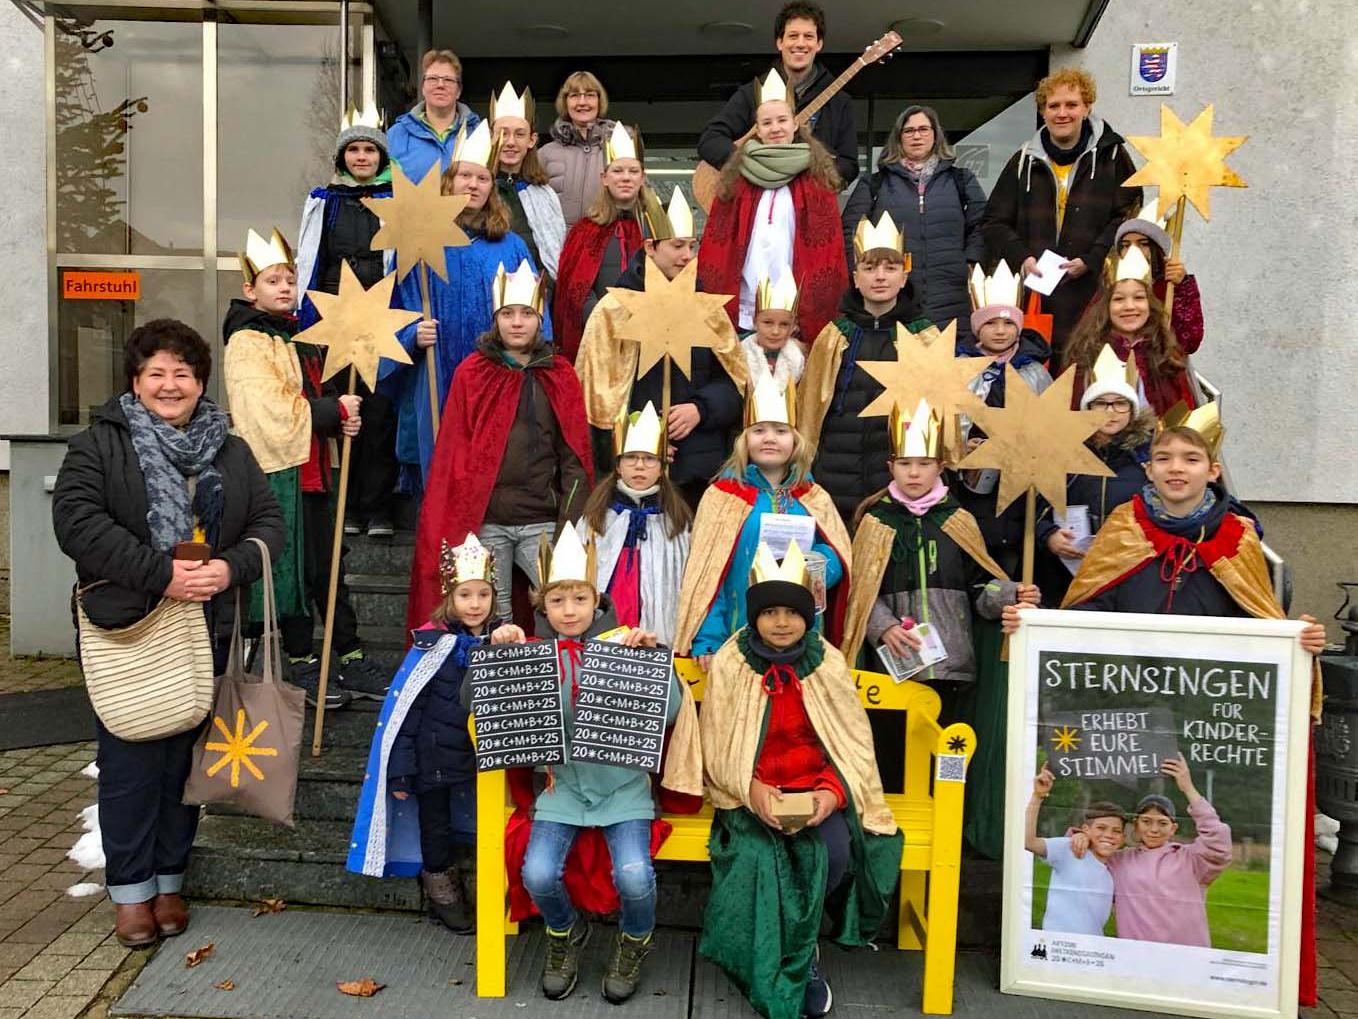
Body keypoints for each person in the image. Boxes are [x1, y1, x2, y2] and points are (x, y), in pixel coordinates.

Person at [1006, 410, 1326, 999]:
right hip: (1127, 702)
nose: (1176, 469)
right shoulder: (1125, 527)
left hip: (1201, 707)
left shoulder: (1240, 537)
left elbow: (1263, 620)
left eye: (1190, 459)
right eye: (1164, 459)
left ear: (1213, 469)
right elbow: (1088, 611)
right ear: (1148, 469)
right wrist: (1036, 620)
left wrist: (1299, 637)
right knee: (1117, 793)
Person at [52, 319, 284, 948]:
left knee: (184, 765)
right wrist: (163, 575)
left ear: (200, 381)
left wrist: (226, 568)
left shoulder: (229, 447)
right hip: (130, 626)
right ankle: (131, 893)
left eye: (182, 372)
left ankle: (170, 880)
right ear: (136, 379)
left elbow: (267, 521)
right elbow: (78, 525)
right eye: (156, 371)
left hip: (208, 623)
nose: (170, 383)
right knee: (131, 761)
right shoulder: (98, 447)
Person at [481, 527, 701, 1004]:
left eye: (579, 598)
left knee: (634, 876)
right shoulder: (533, 655)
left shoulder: (625, 647)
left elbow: (670, 714)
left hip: (624, 790)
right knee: (537, 873)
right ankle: (564, 934)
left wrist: (653, 662)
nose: (570, 610)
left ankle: (634, 941)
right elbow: (477, 706)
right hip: (561, 792)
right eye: (558, 601)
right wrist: (496, 658)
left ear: (595, 599)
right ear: (543, 607)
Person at [699, 540, 900, 1019]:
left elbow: (849, 742)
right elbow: (718, 740)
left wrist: (829, 795)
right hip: (752, 794)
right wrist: (751, 790)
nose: (782, 622)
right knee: (756, 858)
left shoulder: (826, 662)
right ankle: (785, 955)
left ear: (807, 615)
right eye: (769, 612)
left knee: (832, 854)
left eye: (792, 611)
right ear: (755, 617)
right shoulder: (732, 661)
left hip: (814, 790)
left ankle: (801, 946)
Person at [841, 400, 1034, 829]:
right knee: (892, 758)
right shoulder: (874, 521)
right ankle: (889, 833)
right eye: (905, 463)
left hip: (953, 669)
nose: (914, 473)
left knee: (949, 756)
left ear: (941, 466)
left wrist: (1011, 594)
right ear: (890, 466)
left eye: (924, 463)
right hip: (895, 674)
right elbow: (859, 591)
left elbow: (980, 587)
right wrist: (884, 627)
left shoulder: (958, 519)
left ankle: (951, 835)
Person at [222, 229, 385, 708]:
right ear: (251, 290)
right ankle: (301, 662)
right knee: (293, 569)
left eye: (290, 278)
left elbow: (310, 401)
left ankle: (349, 656)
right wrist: (331, 411)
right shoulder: (248, 341)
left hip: (315, 471)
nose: (284, 287)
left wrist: (340, 420)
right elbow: (263, 408)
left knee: (328, 566)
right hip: (280, 474)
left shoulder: (298, 338)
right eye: (273, 280)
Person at [406, 260, 593, 635]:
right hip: (489, 520)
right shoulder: (474, 372)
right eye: (508, 313)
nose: (517, 322)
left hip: (542, 518)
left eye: (526, 313)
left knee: (560, 607)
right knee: (496, 618)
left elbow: (574, 454)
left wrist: (569, 522)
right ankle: (501, 689)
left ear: (540, 319)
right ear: (496, 319)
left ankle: (558, 685)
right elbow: (455, 453)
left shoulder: (559, 374)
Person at [347, 534, 501, 933]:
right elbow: (405, 712)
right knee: (435, 829)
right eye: (465, 594)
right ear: (450, 598)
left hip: (481, 759)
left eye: (483, 594)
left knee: (484, 824)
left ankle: (493, 891)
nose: (475, 604)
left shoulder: (503, 640)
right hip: (433, 761)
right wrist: (400, 770)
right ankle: (441, 889)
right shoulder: (430, 646)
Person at [390, 120, 540, 488]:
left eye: (482, 178)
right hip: (436, 370)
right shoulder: (419, 243)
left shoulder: (511, 247)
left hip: (497, 373)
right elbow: (393, 306)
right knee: (441, 471)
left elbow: (536, 313)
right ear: (448, 182)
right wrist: (411, 334)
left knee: (493, 469)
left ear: (493, 187)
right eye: (464, 176)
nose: (473, 185)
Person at [575, 186, 746, 506]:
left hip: (698, 468)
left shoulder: (708, 310)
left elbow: (736, 383)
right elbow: (595, 397)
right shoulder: (614, 310)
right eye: (678, 246)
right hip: (636, 474)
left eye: (692, 247)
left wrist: (701, 409)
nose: (687, 256)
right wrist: (640, 440)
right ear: (650, 247)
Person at [674, 375, 849, 667]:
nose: (769, 438)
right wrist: (707, 638)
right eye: (759, 430)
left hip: (800, 637)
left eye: (780, 431)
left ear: (795, 440)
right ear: (744, 440)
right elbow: (706, 574)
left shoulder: (813, 497)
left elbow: (840, 556)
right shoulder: (722, 497)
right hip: (736, 633)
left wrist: (818, 563)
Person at [981, 68, 1140, 358]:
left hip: (1094, 295)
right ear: (1043, 112)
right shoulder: (1023, 161)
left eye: (1071, 104)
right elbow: (993, 222)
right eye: (1053, 106)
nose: (1062, 113)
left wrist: (1092, 259)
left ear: (1087, 107)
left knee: (1085, 384)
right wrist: (1023, 258)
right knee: (1036, 385)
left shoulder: (1113, 157)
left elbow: (1129, 218)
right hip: (1036, 298)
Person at [296, 105, 399, 539]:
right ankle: (345, 505)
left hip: (380, 316)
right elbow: (310, 258)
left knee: (377, 414)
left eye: (369, 150)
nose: (361, 158)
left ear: (381, 157)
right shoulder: (325, 202)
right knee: (341, 412)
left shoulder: (397, 200)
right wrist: (307, 314)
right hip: (333, 316)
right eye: (353, 150)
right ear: (342, 158)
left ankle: (377, 507)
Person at [798, 213, 934, 521]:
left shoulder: (924, 336)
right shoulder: (835, 335)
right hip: (834, 478)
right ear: (856, 278)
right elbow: (809, 409)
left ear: (904, 276)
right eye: (870, 268)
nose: (880, 276)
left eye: (891, 267)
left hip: (897, 483)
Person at [700, 69, 847, 343]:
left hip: (794, 311)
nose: (775, 128)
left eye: (782, 120)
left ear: (795, 125)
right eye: (767, 123)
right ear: (758, 129)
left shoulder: (816, 177)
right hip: (745, 304)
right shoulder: (737, 177)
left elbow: (827, 250)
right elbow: (719, 245)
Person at [839, 105, 987, 338]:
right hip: (894, 298)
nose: (916, 136)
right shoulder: (875, 184)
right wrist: (863, 275)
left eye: (923, 129)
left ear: (935, 135)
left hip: (951, 292)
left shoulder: (961, 179)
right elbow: (850, 232)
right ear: (898, 138)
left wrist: (969, 262)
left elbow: (982, 223)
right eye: (908, 131)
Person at [951, 261, 1053, 578]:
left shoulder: (1034, 373)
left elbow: (1050, 428)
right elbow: (943, 418)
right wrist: (962, 445)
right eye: (991, 322)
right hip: (964, 483)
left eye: (1008, 324)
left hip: (1017, 486)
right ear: (977, 327)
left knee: (1008, 561)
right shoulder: (958, 368)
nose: (999, 330)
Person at [1037, 343, 1154, 603]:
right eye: (1100, 403)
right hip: (1066, 573)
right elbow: (1034, 507)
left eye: (1120, 404)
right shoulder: (1062, 453)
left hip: (1130, 572)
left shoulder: (1149, 460)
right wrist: (1048, 535)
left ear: (1133, 409)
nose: (1110, 412)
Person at [1072, 758, 1231, 947]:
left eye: (1162, 823)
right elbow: (1081, 851)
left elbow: (1218, 838)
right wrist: (1080, 837)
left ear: (1173, 828)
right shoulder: (1118, 860)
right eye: (1146, 821)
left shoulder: (1192, 859)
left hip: (1188, 955)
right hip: (1137, 957)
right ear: (1136, 826)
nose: (1154, 829)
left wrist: (1188, 788)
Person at [697, 1, 858, 187]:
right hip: (755, 202)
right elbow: (710, 140)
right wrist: (750, 167)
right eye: (793, 36)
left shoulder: (839, 101)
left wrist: (805, 167)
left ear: (819, 44)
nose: (800, 43)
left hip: (811, 203)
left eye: (808, 36)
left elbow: (849, 165)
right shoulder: (751, 93)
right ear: (780, 42)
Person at [575, 403, 692, 646]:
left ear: (662, 468)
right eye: (631, 458)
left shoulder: (676, 519)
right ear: (618, 466)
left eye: (649, 459)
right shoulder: (597, 515)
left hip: (656, 618)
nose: (639, 466)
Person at [552, 123, 646, 363]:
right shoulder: (585, 230)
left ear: (643, 177)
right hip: (599, 334)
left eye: (633, 171)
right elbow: (575, 288)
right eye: (618, 171)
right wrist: (603, 318)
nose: (626, 178)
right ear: (604, 178)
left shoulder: (656, 228)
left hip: (649, 334)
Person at [1064, 245, 1194, 416]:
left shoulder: (1166, 353)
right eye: (1119, 299)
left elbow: (1181, 413)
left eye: (1139, 297)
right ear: (1106, 306)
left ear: (1150, 303)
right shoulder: (1085, 353)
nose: (1129, 307)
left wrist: (1184, 285)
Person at [1025, 767, 1124, 937]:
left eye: (1116, 831)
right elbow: (1028, 842)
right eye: (1101, 828)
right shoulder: (1068, 849)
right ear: (1086, 829)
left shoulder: (1114, 870)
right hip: (1056, 946)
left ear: (1123, 837)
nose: (1109, 835)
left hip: (1093, 950)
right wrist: (1038, 796)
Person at [489, 82, 566, 294]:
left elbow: (554, 253)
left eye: (519, 134)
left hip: (536, 296)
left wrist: (546, 287)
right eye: (503, 133)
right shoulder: (476, 191)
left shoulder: (544, 194)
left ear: (532, 140)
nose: (511, 142)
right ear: (491, 136)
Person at [1114, 198, 1203, 355]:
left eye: (1143, 243)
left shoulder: (1171, 287)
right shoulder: (1109, 288)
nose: (1134, 250)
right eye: (1126, 245)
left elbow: (1189, 342)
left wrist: (1182, 287)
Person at [386, 49, 480, 186]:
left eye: (448, 80)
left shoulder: (477, 133)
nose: (440, 85)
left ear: (459, 91)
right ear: (423, 88)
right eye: (433, 79)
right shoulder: (397, 134)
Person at [538, 71, 617, 228]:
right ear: (565, 102)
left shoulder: (618, 149)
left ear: (600, 101)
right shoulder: (545, 154)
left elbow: (640, 198)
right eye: (574, 95)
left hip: (605, 243)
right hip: (558, 247)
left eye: (589, 95)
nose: (582, 102)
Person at [740, 265, 806, 392]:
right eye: (768, 323)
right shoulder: (739, 356)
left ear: (793, 327)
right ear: (755, 322)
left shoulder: (799, 361)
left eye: (784, 324)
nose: (775, 331)